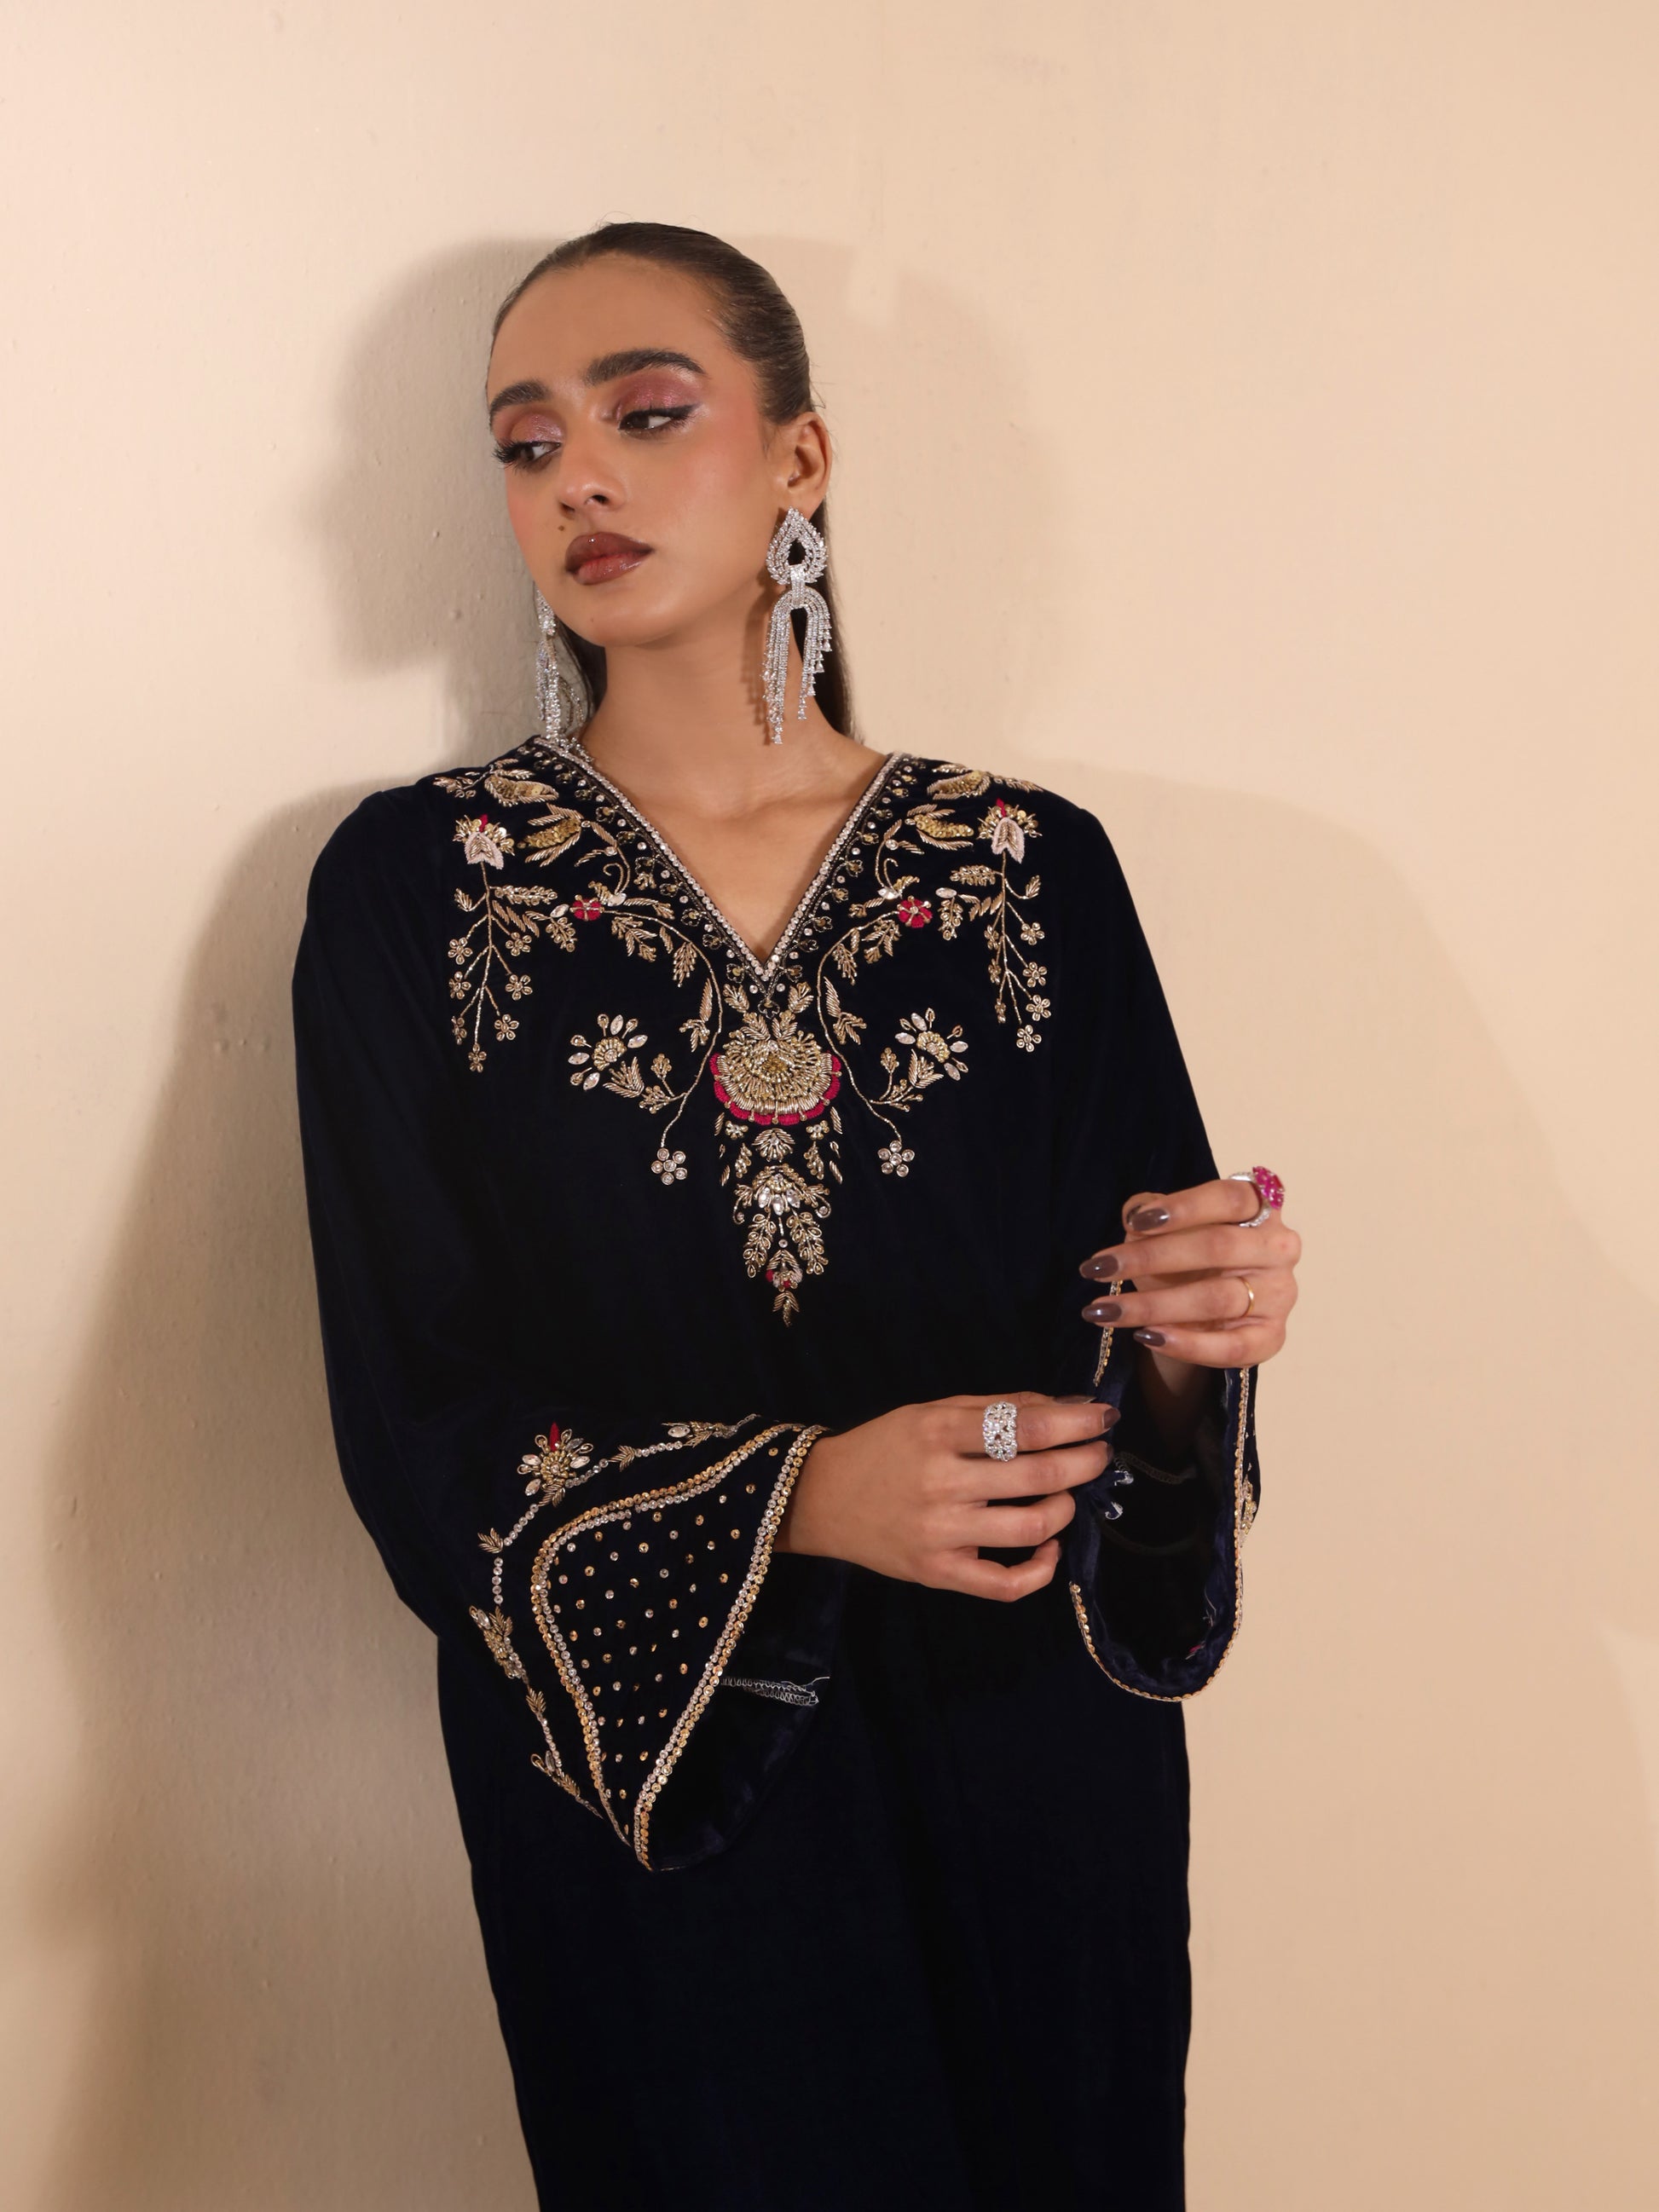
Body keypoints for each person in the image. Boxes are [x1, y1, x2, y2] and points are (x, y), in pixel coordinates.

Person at [292, 221, 1301, 2212]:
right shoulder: (418, 889)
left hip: (1031, 1771)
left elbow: (1130, 1397)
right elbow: (415, 1418)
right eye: (524, 443)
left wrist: (1196, 1346)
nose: (577, 475)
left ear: (799, 460)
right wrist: (801, 1495)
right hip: (667, 1802)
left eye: (646, 413)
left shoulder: (1028, 869)